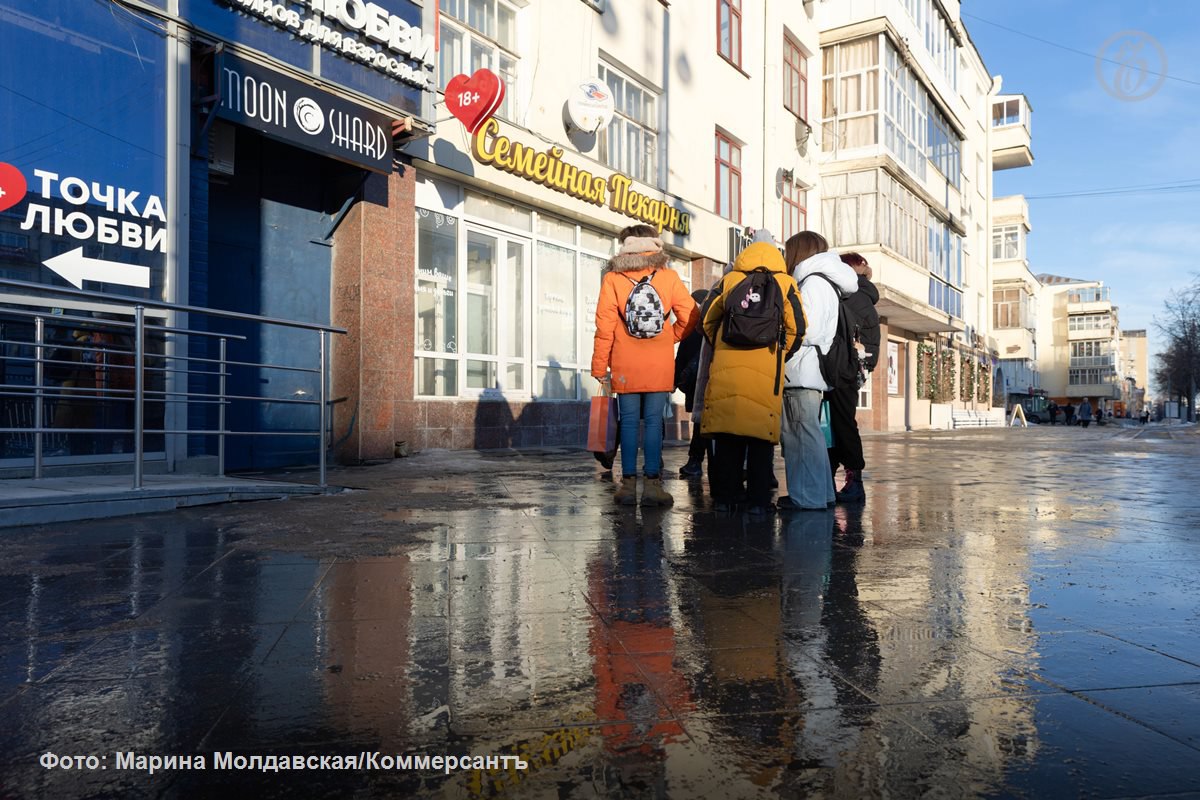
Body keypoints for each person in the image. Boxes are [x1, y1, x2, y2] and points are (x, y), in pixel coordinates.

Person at [592, 224, 698, 507]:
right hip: (659, 364)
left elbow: (604, 327)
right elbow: (691, 315)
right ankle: (652, 487)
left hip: (625, 364)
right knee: (653, 422)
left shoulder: (613, 278)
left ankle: (627, 487)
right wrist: (669, 337)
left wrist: (599, 367)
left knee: (627, 422)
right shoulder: (669, 277)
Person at [700, 238, 804, 516]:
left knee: (727, 437)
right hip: (766, 369)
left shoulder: (729, 280)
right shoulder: (786, 283)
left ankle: (725, 499)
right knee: (760, 439)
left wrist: (721, 345)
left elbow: (706, 319)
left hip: (727, 367)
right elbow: (798, 328)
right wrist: (780, 354)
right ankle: (758, 502)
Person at [778, 232, 859, 512]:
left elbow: (807, 328)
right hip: (809, 371)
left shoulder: (813, 282)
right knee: (808, 434)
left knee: (801, 434)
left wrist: (782, 329)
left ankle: (807, 497)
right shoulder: (824, 281)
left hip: (802, 370)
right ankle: (821, 494)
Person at [824, 252, 880, 504]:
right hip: (852, 367)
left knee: (841, 422)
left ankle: (852, 481)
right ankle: (843, 478)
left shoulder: (852, 295)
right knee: (838, 421)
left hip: (843, 367)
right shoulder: (863, 295)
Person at [675, 288, 713, 477]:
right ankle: (698, 462)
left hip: (702, 382)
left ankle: (695, 461)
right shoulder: (704, 324)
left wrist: (675, 379)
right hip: (702, 381)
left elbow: (682, 356)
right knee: (703, 423)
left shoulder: (698, 327)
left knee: (702, 423)